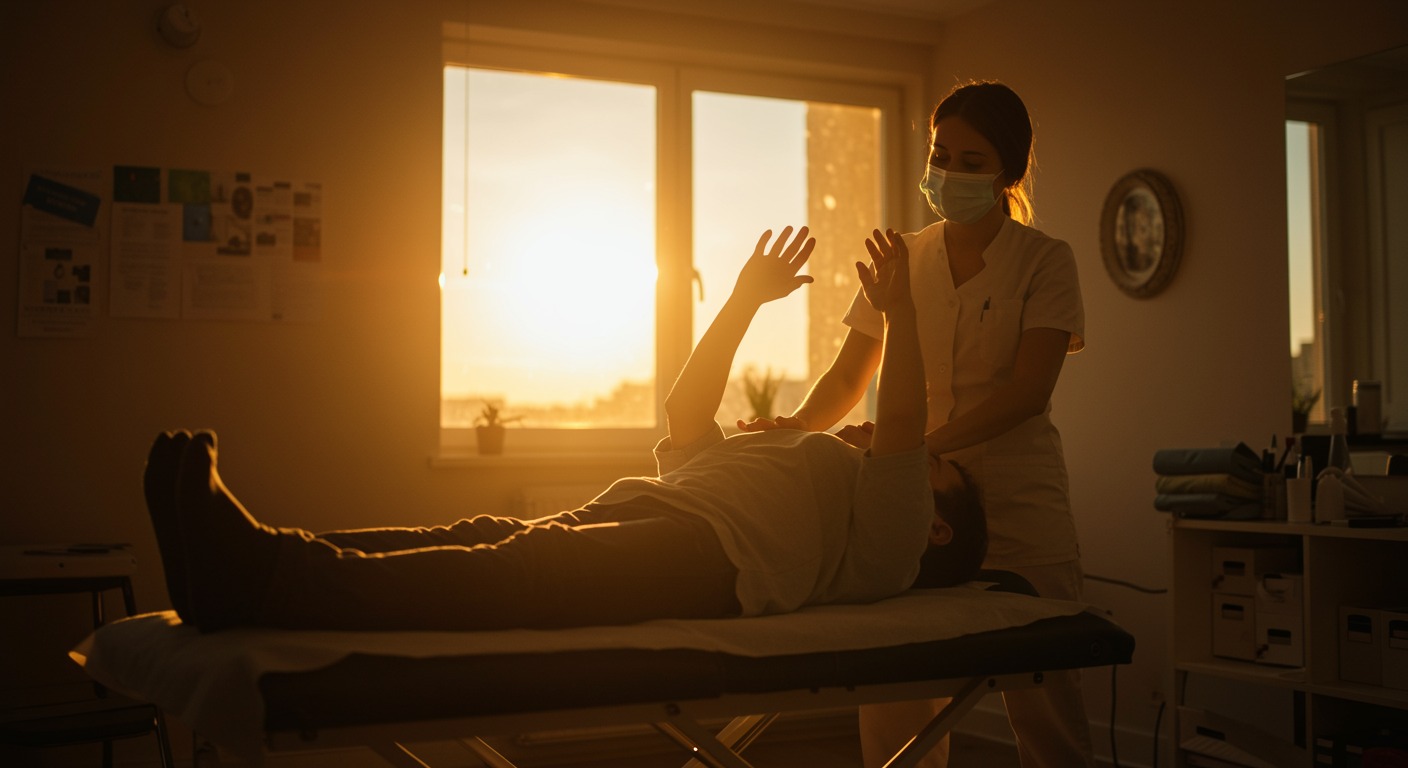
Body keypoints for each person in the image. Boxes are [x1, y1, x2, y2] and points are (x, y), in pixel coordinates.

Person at [142, 226, 987, 635]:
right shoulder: (799, 456)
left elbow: (903, 419)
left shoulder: (891, 544)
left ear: (935, 522)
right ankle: (247, 564)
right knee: (477, 535)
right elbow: (686, 414)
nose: (901, 445)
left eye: (930, 467)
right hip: (656, 512)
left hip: (707, 561)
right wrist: (739, 301)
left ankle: (256, 579)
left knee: (514, 573)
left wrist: (899, 313)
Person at [739, 82, 1091, 768]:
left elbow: (1027, 392)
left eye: (971, 161)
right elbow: (849, 376)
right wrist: (795, 428)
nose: (950, 173)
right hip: (911, 512)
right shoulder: (902, 256)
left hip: (1020, 508)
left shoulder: (1045, 260)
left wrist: (909, 451)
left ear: (1009, 171)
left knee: (1045, 707)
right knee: (897, 697)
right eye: (941, 155)